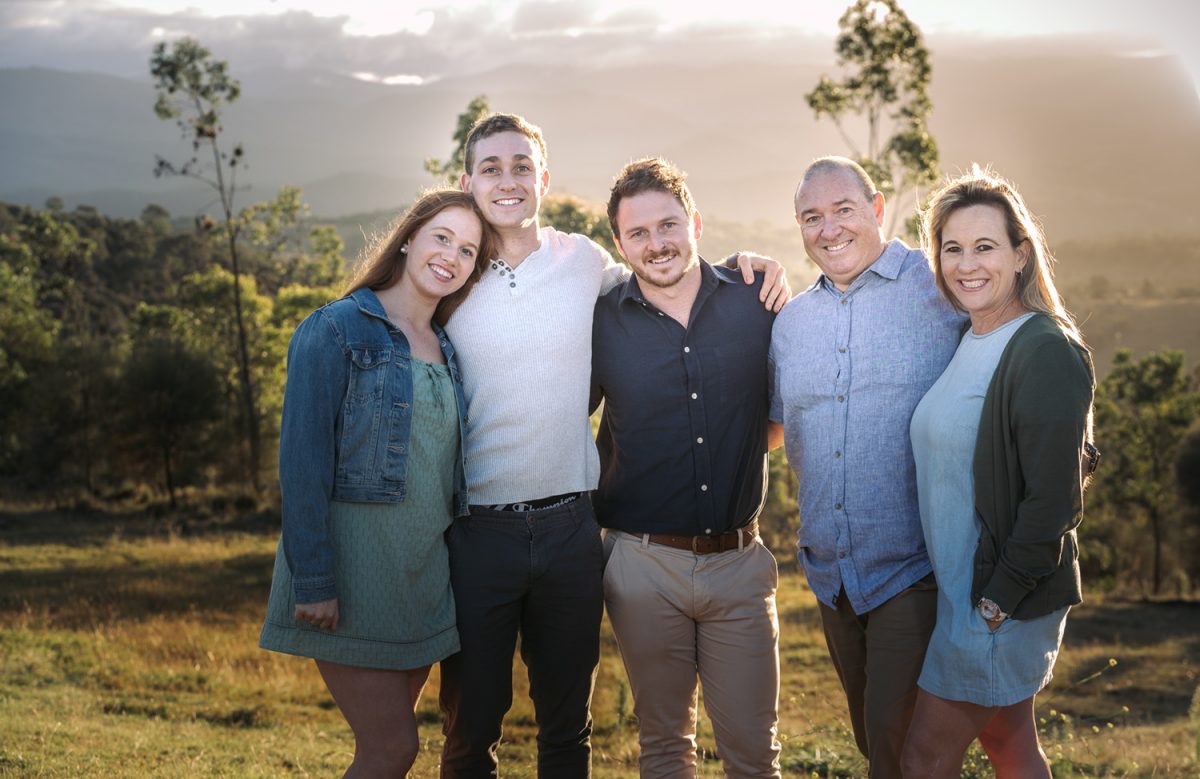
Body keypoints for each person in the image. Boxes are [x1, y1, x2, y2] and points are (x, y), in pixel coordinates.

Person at [438, 113, 790, 778]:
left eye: (521, 167)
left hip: (610, 535)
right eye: (491, 167)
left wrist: (763, 268)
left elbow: (770, 404)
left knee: (578, 730)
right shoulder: (458, 273)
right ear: (468, 181)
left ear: (543, 179)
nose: (507, 180)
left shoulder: (600, 269)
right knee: (476, 728)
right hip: (518, 536)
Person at [259, 189, 495, 778]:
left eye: (468, 250)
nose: (452, 256)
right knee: (394, 749)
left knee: (384, 753)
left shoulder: (449, 346)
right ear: (409, 236)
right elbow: (302, 464)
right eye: (442, 237)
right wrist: (314, 579)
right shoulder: (336, 329)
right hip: (351, 575)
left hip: (421, 576)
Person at [768, 156, 965, 777]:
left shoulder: (940, 291)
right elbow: (772, 432)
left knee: (899, 743)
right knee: (871, 736)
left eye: (843, 210)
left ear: (877, 209)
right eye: (811, 217)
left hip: (915, 567)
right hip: (830, 574)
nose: (829, 230)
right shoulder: (790, 324)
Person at [590, 157, 784, 778]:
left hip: (739, 566)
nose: (657, 244)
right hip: (642, 564)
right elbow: (558, 418)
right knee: (666, 748)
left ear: (695, 223)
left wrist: (736, 447)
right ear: (619, 245)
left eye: (668, 225)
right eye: (639, 234)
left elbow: (789, 412)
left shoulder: (757, 300)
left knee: (754, 755)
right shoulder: (600, 323)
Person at [901, 167, 1097, 778]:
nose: (966, 264)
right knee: (1011, 749)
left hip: (994, 605)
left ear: (1020, 255)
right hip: (969, 597)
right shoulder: (971, 336)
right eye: (952, 248)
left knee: (923, 759)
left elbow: (1055, 499)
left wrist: (996, 602)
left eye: (984, 246)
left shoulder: (1042, 348)